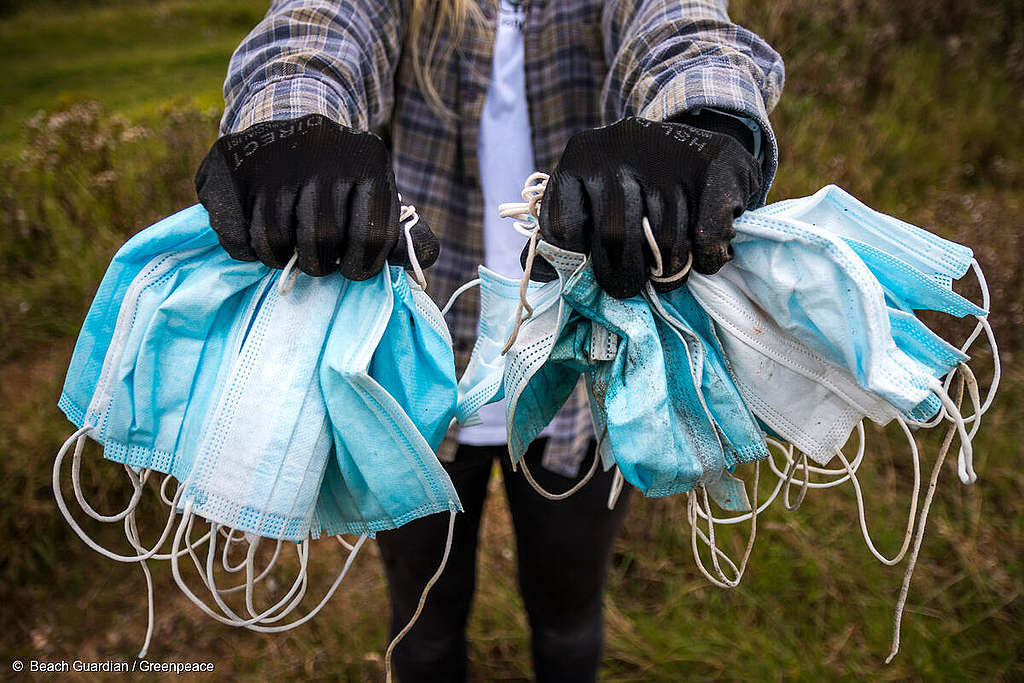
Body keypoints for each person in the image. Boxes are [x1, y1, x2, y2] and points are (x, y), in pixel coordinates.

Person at [195, 0, 784, 680]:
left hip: (581, 369)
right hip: (412, 381)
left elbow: (679, 28)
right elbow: (320, 28)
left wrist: (700, 122)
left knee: (568, 619)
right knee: (422, 625)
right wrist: (289, 127)